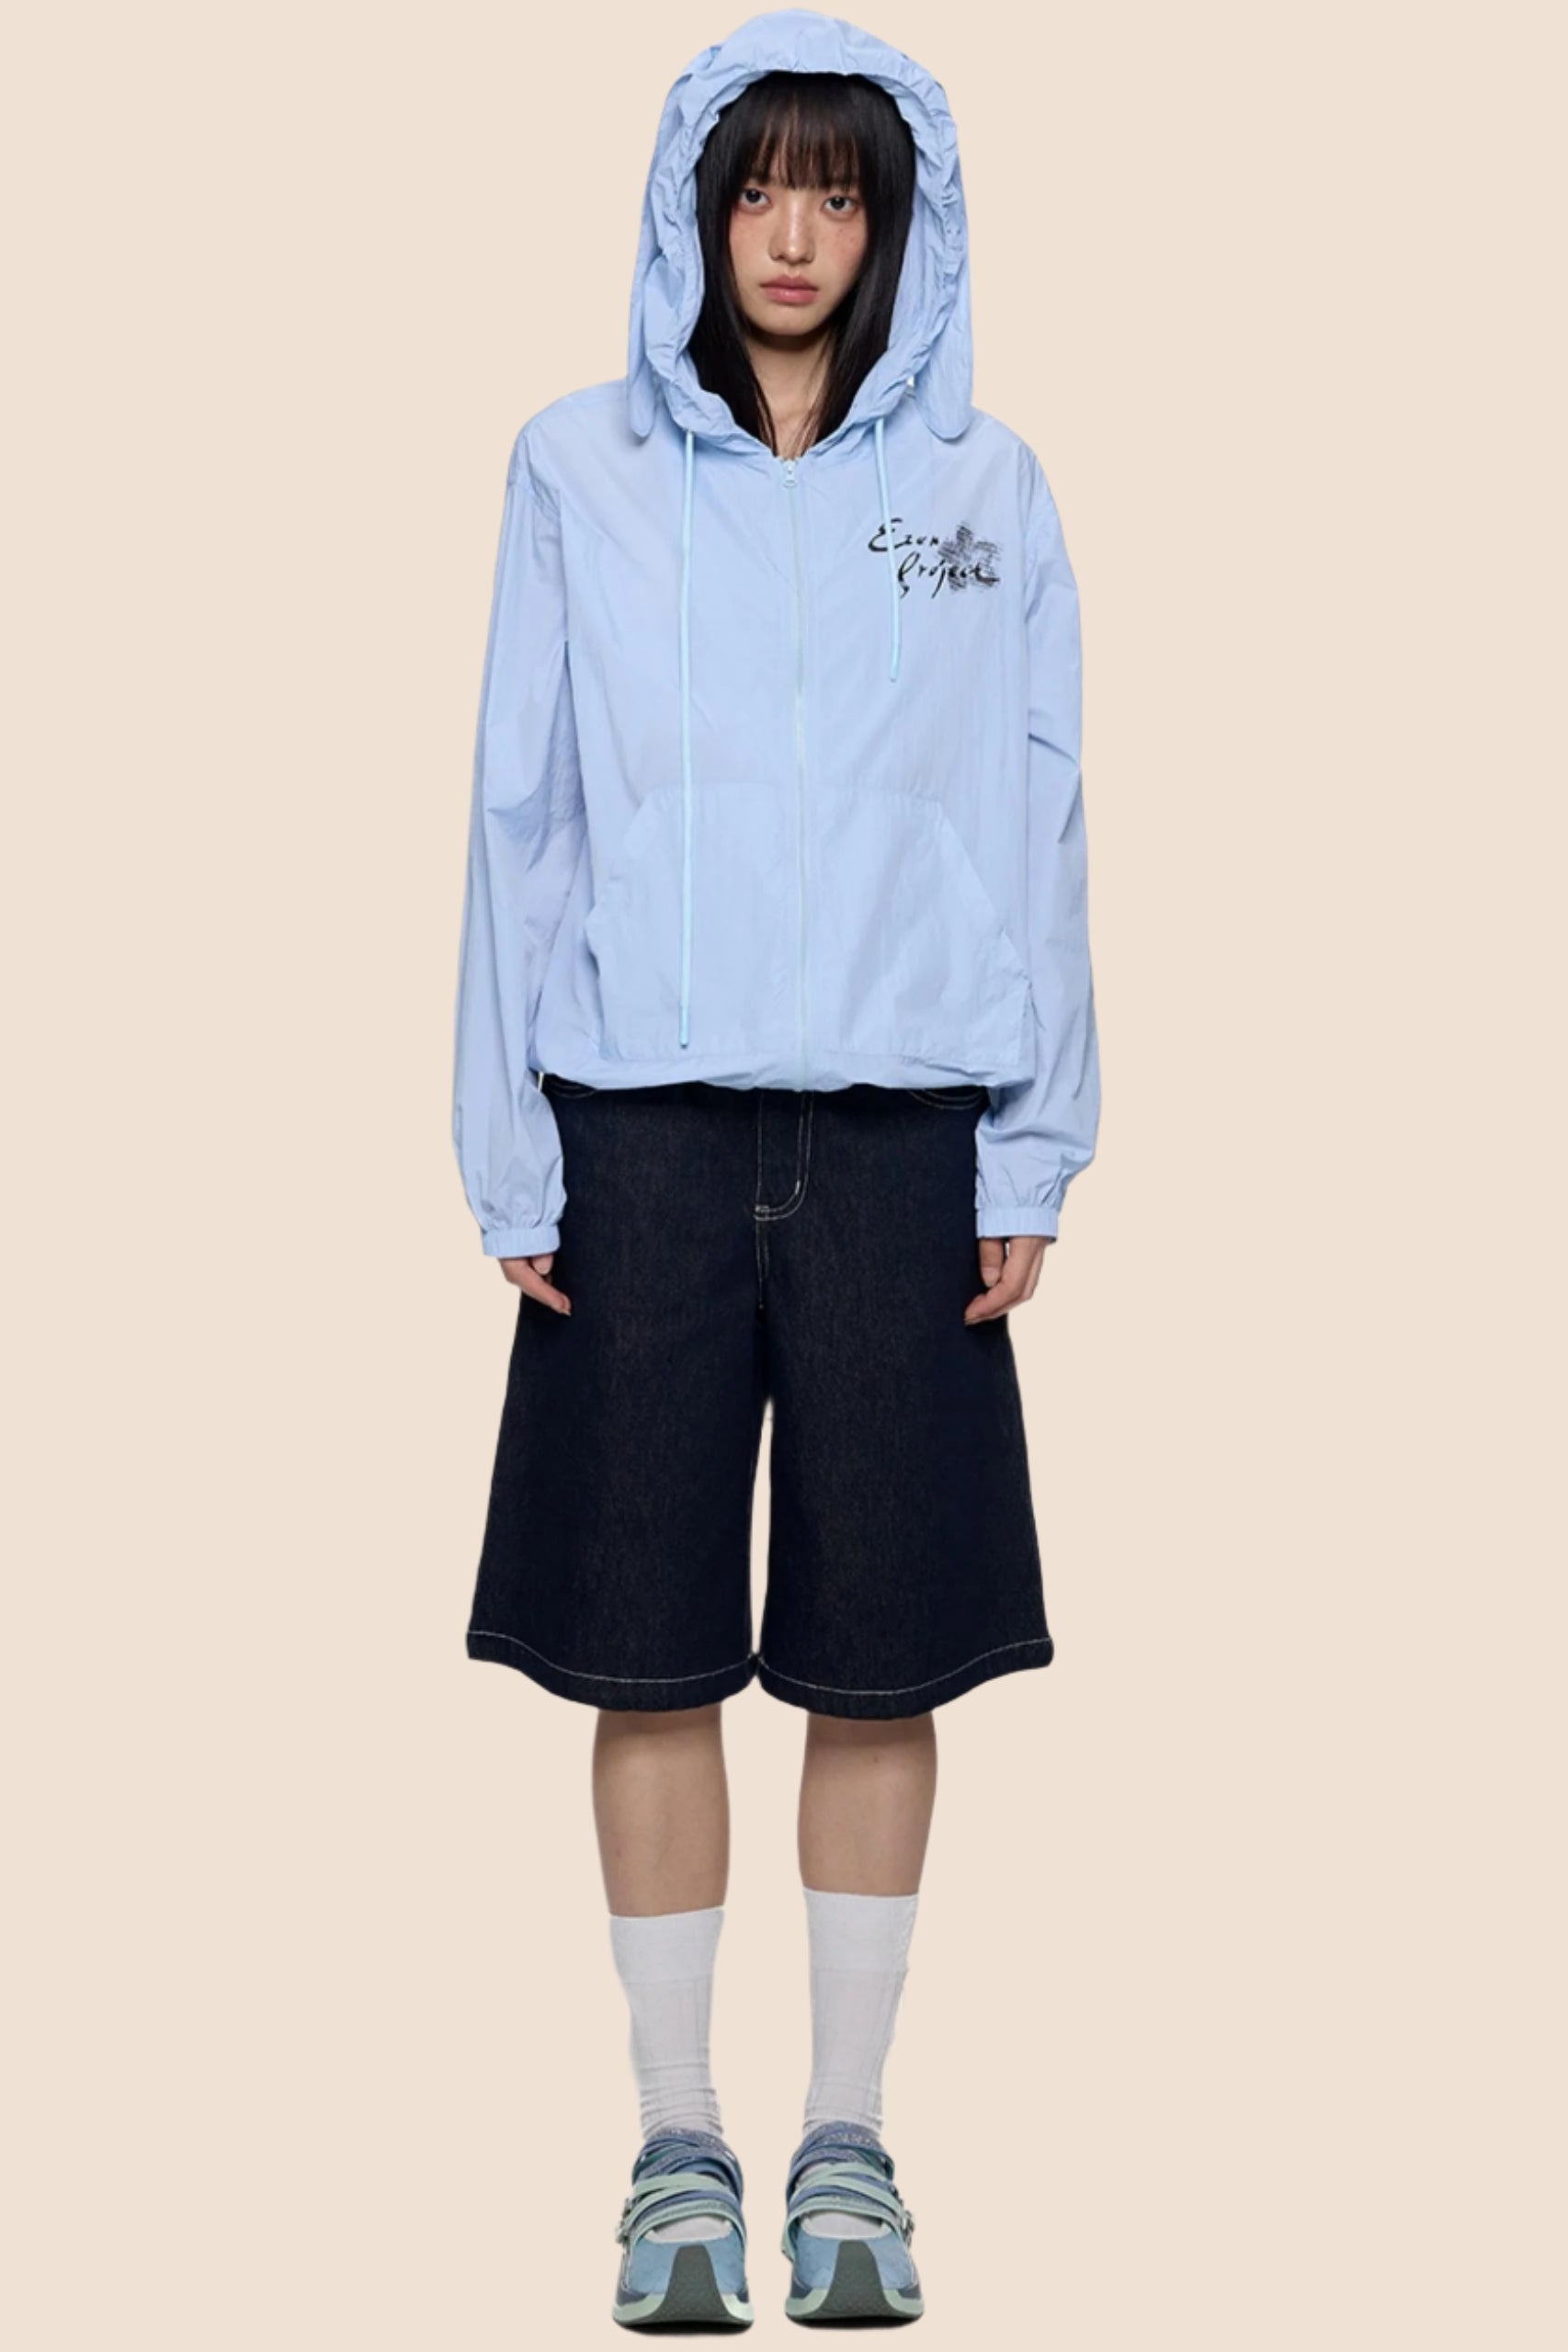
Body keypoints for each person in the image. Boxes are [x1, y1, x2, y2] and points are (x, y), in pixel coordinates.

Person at [450, 8, 1099, 2328]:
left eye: (835, 189)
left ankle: (846, 2139)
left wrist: (1035, 1131)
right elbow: (520, 810)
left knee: (875, 1651)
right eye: (754, 188)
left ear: (895, 218)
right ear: (694, 216)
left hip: (905, 1132)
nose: (795, 233)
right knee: (645, 1649)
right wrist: (505, 1142)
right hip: (631, 1130)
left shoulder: (985, 492)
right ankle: (673, 2149)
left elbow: (1036, 809)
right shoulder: (576, 467)